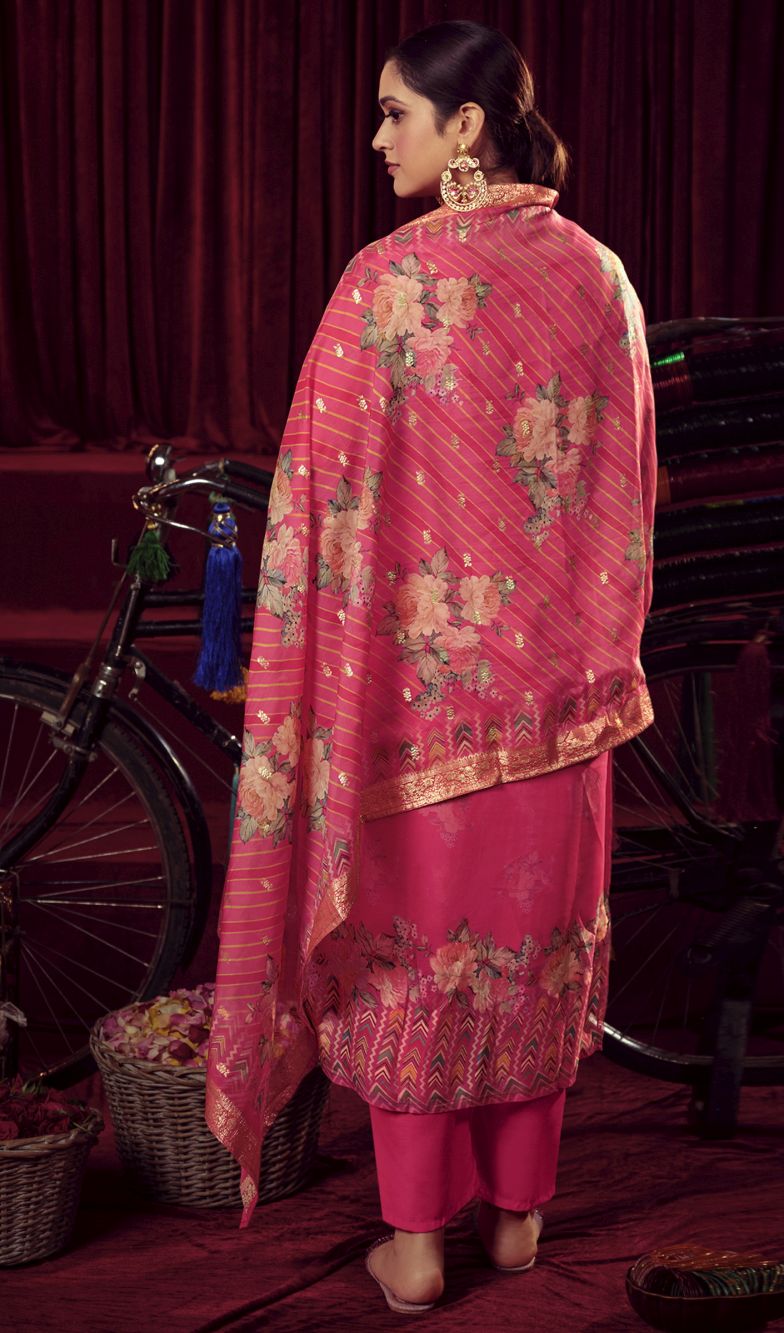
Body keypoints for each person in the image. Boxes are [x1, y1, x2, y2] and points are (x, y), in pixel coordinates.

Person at [204, 17, 656, 1314]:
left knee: (417, 961)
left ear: (466, 126)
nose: (376, 138)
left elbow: (319, 501)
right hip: (562, 709)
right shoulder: (600, 278)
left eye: (396, 112)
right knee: (532, 955)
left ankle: (413, 1242)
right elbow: (628, 497)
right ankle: (517, 1220)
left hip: (414, 719)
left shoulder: (387, 286)